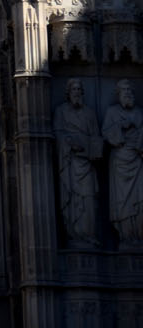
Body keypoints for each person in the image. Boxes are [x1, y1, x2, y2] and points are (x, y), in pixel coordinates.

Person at [53, 79, 102, 247]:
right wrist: (70, 143)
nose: (77, 92)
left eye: (79, 89)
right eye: (73, 89)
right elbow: (57, 134)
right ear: (68, 92)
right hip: (70, 163)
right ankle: (74, 236)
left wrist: (93, 149)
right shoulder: (61, 111)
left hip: (86, 165)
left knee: (88, 200)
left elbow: (96, 137)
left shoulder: (89, 113)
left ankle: (89, 235)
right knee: (72, 200)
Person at [103, 79, 143, 244]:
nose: (128, 93)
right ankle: (126, 236)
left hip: (138, 159)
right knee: (123, 202)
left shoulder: (139, 112)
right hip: (120, 161)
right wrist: (121, 127)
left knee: (140, 200)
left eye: (130, 91)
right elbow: (106, 132)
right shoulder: (112, 112)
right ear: (118, 95)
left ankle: (139, 236)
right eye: (124, 91)